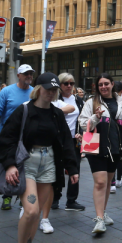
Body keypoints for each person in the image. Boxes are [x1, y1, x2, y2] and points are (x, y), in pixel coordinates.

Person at [0, 72, 78, 243]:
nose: (51, 93)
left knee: (37, 212)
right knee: (31, 211)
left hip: (48, 163)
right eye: (48, 89)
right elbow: (7, 139)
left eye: (54, 90)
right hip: (27, 163)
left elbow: (66, 141)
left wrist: (72, 168)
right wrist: (10, 164)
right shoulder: (24, 111)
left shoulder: (56, 114)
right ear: (38, 89)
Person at [78, 73, 122, 234]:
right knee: (101, 182)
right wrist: (95, 117)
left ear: (112, 85)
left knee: (108, 183)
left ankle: (103, 212)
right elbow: (83, 124)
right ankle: (99, 219)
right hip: (95, 146)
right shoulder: (91, 102)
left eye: (106, 84)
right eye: (100, 84)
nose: (103, 87)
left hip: (115, 147)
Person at [0, 65, 35, 210]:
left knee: (26, 167)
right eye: (25, 73)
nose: (28, 76)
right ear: (18, 75)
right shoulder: (7, 91)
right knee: (9, 166)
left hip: (28, 138)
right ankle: (7, 195)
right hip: (9, 138)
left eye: (30, 73)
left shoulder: (35, 92)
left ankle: (24, 196)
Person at [49, 72, 85, 213]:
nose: (69, 86)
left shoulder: (78, 100)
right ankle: (55, 198)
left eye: (71, 83)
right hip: (56, 139)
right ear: (60, 85)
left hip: (73, 140)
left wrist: (81, 133)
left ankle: (71, 200)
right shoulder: (53, 99)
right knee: (56, 169)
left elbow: (82, 119)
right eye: (66, 83)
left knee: (74, 169)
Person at [110, 81, 122, 192]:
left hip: (110, 131)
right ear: (121, 91)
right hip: (121, 131)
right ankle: (117, 180)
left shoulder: (105, 100)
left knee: (112, 155)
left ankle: (112, 183)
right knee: (120, 155)